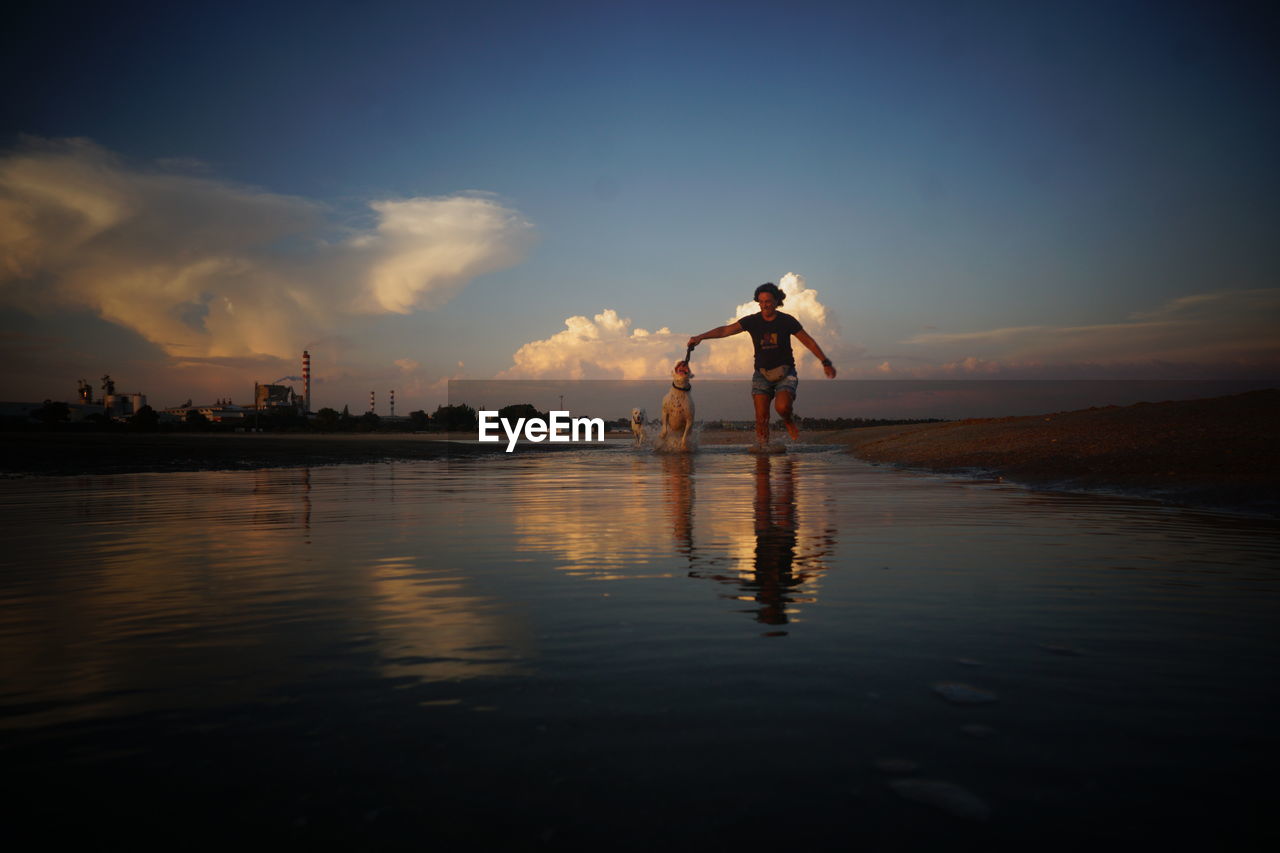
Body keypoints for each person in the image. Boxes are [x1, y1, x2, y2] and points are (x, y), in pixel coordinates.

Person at [687, 282, 836, 445]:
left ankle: (788, 420)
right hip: (761, 374)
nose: (764, 305)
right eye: (761, 302)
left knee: (783, 407)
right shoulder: (752, 321)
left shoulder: (787, 321)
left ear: (776, 301)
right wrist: (700, 337)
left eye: (768, 301)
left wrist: (825, 362)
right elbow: (725, 330)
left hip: (785, 373)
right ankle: (763, 452)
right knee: (761, 418)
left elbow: (808, 341)